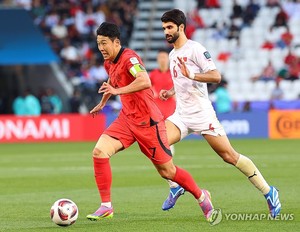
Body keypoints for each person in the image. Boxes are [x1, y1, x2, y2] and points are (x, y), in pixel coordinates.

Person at [86, 22, 216, 223]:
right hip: (127, 119)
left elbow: (144, 80)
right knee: (99, 152)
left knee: (168, 171)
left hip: (148, 123)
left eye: (104, 43)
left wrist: (117, 92)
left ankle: (201, 196)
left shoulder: (130, 58)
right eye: (98, 44)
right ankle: (106, 206)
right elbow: (112, 82)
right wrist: (102, 102)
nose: (101, 48)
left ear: (116, 42)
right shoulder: (108, 62)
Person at [159, 9, 281, 218]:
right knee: (158, 144)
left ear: (180, 27)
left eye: (169, 27)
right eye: (164, 28)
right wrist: (170, 91)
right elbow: (182, 81)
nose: (166, 32)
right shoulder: (172, 54)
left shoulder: (196, 49)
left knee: (229, 156)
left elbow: (216, 76)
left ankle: (269, 192)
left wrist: (193, 74)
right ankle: (175, 186)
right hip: (181, 115)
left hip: (202, 115)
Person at [150, 49, 176, 154]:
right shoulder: (153, 74)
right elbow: (147, 86)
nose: (162, 60)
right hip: (157, 108)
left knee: (168, 131)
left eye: (164, 57)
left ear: (168, 59)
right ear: (157, 59)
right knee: (157, 132)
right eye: (160, 57)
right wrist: (153, 90)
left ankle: (168, 151)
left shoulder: (173, 73)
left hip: (171, 107)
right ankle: (162, 152)